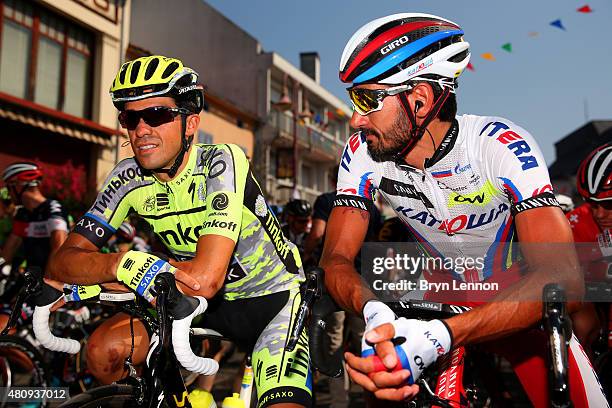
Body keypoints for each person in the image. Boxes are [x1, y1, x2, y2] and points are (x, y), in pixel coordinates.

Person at [320, 13, 608, 406]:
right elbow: (335, 259)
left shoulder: (498, 145)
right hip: (437, 292)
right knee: (385, 390)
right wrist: (373, 311)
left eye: (367, 99)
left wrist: (444, 334)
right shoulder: (363, 154)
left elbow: (564, 280)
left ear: (419, 100)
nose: (355, 119)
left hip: (514, 296)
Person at [48, 55, 311, 407]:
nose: (141, 129)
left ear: (190, 124)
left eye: (156, 115)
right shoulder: (127, 177)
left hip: (271, 300)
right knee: (103, 352)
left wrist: (139, 267)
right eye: (130, 117)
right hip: (194, 301)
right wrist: (119, 265)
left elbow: (206, 278)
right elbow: (62, 262)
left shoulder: (221, 160)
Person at [0, 162, 68, 329]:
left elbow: (58, 247)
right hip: (29, 281)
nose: (8, 194)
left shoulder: (52, 208)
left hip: (50, 283)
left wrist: (46, 286)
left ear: (19, 185)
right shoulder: (23, 215)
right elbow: (6, 255)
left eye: (9, 187)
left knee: (2, 327)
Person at [566, 143, 611, 371]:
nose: (599, 214)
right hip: (594, 294)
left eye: (608, 205)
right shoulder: (578, 220)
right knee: (580, 322)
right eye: (592, 204)